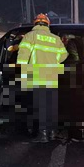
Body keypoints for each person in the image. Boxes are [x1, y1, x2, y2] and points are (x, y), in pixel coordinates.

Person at [16, 13, 68, 143]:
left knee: (39, 108)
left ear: (35, 23)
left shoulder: (30, 36)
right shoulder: (55, 39)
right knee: (50, 107)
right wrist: (52, 61)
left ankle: (43, 135)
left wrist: (22, 74)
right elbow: (64, 56)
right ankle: (52, 133)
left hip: (36, 77)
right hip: (52, 77)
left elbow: (22, 58)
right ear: (47, 24)